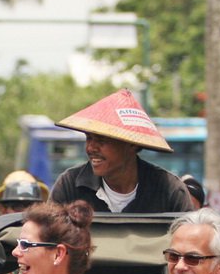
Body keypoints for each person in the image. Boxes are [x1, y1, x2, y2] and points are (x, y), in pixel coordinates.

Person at [50, 89, 194, 214]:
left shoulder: (169, 190)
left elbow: (188, 242)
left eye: (101, 140)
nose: (90, 148)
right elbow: (49, 239)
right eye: (89, 138)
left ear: (131, 145)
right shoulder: (69, 185)